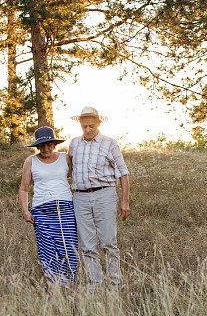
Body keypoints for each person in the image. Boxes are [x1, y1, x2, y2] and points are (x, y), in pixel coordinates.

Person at [67, 106, 130, 289]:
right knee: (87, 244)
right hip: (80, 197)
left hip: (104, 194)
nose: (88, 129)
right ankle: (94, 285)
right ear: (80, 125)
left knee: (109, 242)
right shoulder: (74, 144)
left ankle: (115, 284)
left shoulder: (109, 143)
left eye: (91, 126)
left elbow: (123, 173)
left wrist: (124, 202)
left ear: (98, 124)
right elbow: (70, 170)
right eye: (84, 126)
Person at [19, 126, 79, 286]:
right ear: (37, 147)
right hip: (41, 210)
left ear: (54, 144)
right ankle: (54, 285)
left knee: (69, 247)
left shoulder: (65, 158)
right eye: (42, 145)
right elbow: (24, 188)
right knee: (47, 249)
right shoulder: (31, 161)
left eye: (49, 144)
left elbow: (74, 177)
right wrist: (25, 210)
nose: (46, 148)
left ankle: (68, 283)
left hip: (66, 209)